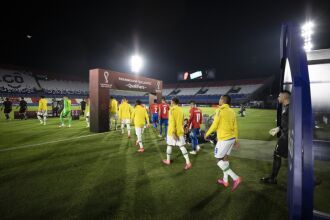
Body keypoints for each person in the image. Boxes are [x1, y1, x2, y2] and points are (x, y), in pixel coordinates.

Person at [205, 95, 241, 191]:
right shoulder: (232, 111)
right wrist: (236, 140)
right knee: (225, 159)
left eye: (220, 98)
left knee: (218, 159)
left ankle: (235, 178)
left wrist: (207, 133)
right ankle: (225, 181)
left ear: (223, 100)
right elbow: (235, 127)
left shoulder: (220, 110)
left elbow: (215, 124)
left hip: (224, 139)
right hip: (231, 138)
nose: (219, 100)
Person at [260, 91, 290, 184]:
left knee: (277, 155)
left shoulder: (290, 108)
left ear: (285, 97)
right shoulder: (286, 107)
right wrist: (278, 128)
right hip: (285, 135)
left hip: (286, 137)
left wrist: (283, 133)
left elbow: (292, 125)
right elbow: (286, 123)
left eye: (279, 96)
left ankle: (272, 179)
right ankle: (272, 178)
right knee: (279, 155)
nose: (278, 98)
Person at [162, 97, 192, 170]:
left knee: (169, 145)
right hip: (180, 131)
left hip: (172, 132)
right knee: (182, 146)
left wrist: (173, 133)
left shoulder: (171, 110)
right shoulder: (181, 110)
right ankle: (188, 163)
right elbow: (182, 122)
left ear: (172, 102)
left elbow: (172, 122)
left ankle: (168, 160)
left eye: (171, 102)